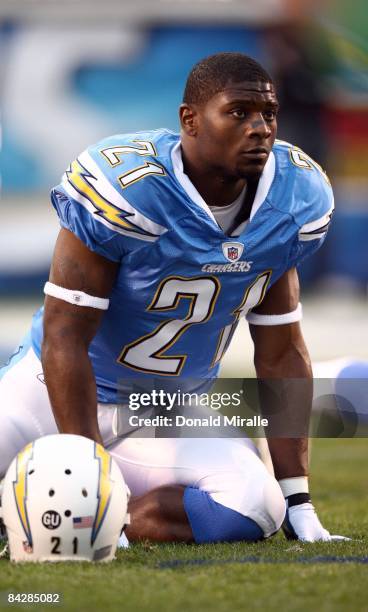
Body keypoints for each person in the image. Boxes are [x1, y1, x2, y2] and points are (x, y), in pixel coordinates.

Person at [0, 52, 340, 544]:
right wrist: (92, 476)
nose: (260, 128)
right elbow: (64, 337)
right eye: (239, 112)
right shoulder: (129, 190)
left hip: (164, 409)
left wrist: (298, 498)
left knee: (254, 508)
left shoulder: (293, 197)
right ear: (190, 121)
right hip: (49, 393)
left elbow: (282, 350)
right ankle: (52, 508)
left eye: (268, 113)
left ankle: (56, 524)